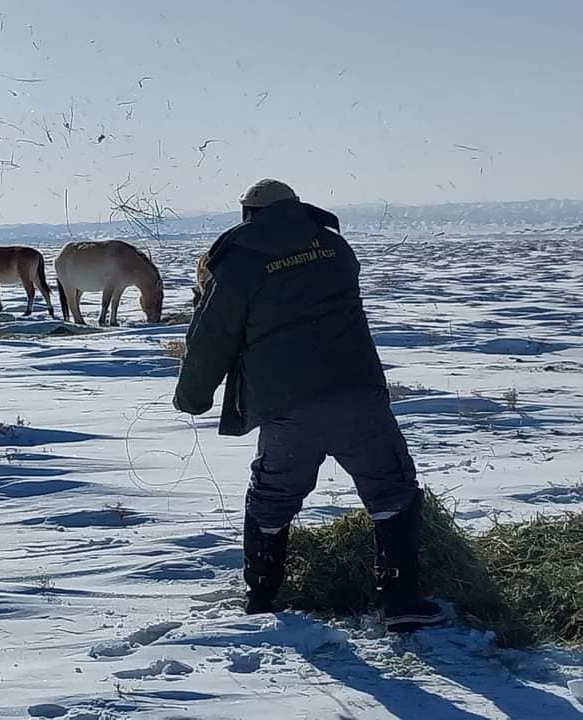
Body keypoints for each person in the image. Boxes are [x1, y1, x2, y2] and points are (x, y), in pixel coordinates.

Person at [172, 179, 444, 633]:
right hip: (357, 393)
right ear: (295, 207)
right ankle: (401, 600)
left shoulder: (236, 262)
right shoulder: (335, 248)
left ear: (249, 214)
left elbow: (211, 339)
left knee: (272, 497)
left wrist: (193, 396)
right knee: (391, 489)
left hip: (287, 405)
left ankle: (261, 596)